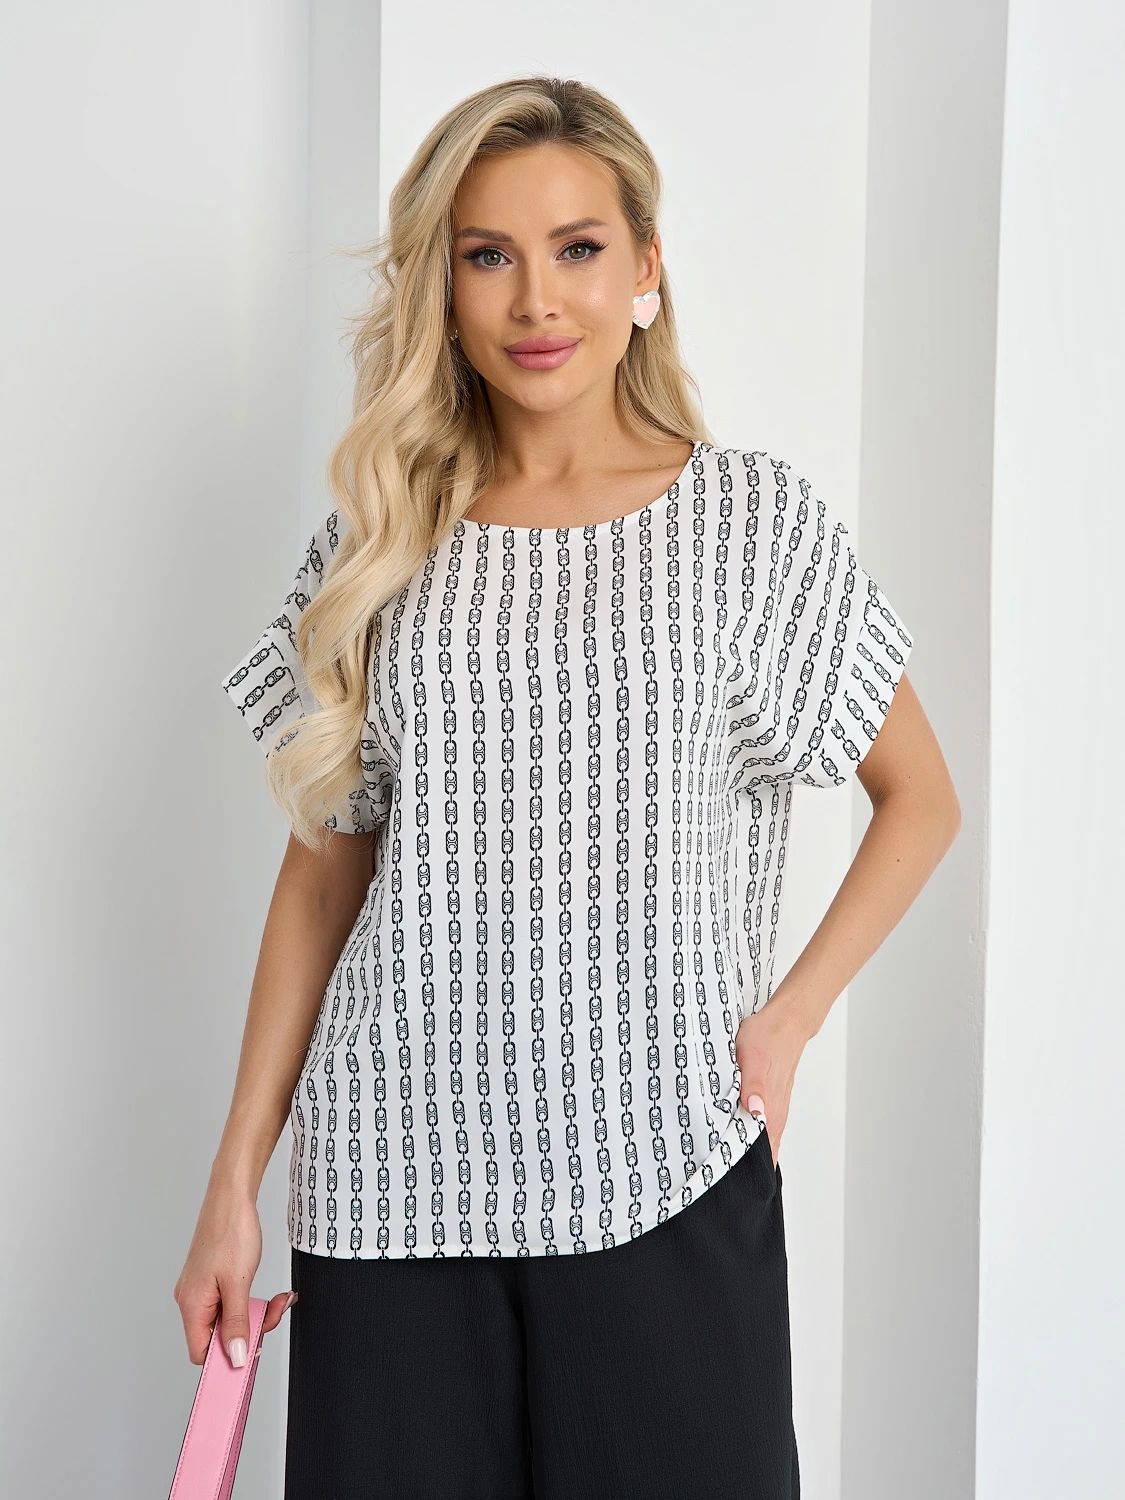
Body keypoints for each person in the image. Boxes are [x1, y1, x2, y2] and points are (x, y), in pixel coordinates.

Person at [173, 73, 960, 1500]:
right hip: (390, 1185)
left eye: (578, 248)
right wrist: (234, 1181)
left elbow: (921, 797)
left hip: (663, 1161)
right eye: (488, 255)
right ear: (444, 288)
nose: (536, 299)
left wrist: (785, 1024)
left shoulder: (750, 524)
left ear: (646, 269)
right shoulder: (382, 536)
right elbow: (325, 865)